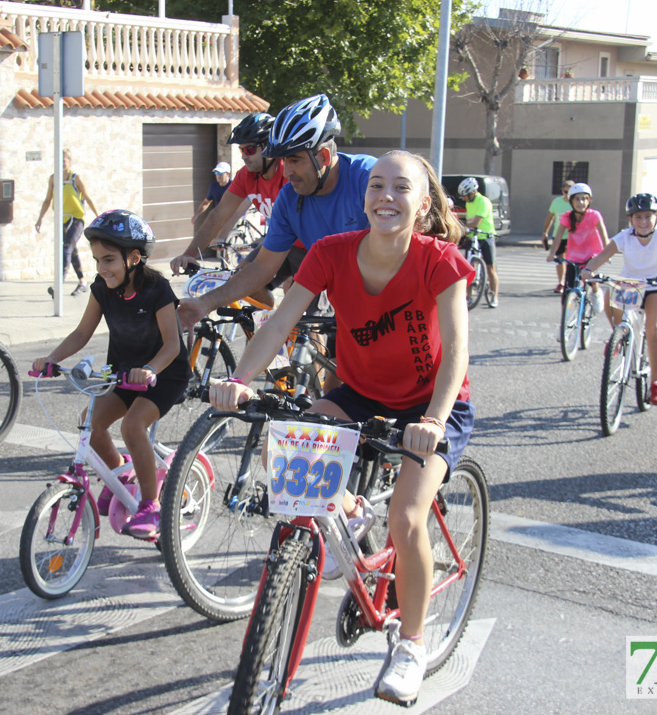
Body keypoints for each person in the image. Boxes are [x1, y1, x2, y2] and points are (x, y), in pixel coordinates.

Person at [210, 150, 474, 705]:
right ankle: (350, 512)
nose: (385, 195)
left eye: (401, 187)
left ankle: (412, 643)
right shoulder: (331, 253)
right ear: (364, 196)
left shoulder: (438, 261)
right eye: (377, 184)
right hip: (358, 394)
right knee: (285, 450)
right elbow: (282, 320)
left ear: (423, 204)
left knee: (406, 517)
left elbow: (456, 353)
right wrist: (239, 378)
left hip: (431, 404)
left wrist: (433, 419)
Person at [31, 211, 189, 539]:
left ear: (134, 258)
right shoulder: (102, 288)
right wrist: (53, 357)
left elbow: (173, 344)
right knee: (90, 421)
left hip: (164, 374)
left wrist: (149, 370)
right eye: (97, 261)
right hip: (122, 374)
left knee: (133, 426)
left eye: (109, 260)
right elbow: (82, 333)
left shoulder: (156, 288)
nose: (102, 269)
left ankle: (151, 505)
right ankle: (119, 475)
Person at [175, 94, 376, 331]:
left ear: (323, 156)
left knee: (315, 324)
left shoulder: (370, 179)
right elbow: (259, 266)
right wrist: (203, 303)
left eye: (294, 160)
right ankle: (277, 324)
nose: (287, 172)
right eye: (284, 161)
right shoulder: (288, 196)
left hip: (373, 293)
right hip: (314, 265)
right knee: (251, 281)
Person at [581, 193, 657, 406]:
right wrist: (588, 269)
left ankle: (656, 384)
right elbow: (603, 255)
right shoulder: (625, 236)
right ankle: (619, 335)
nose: (643, 222)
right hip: (631, 285)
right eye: (638, 217)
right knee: (610, 293)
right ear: (630, 219)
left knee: (655, 329)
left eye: (648, 216)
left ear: (656, 217)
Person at [169, 112, 288, 308]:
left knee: (299, 297)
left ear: (270, 147)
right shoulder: (246, 176)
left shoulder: (289, 173)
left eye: (249, 149)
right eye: (241, 150)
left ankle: (301, 334)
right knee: (243, 278)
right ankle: (270, 324)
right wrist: (190, 254)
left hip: (305, 242)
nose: (243, 156)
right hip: (278, 241)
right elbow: (219, 214)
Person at [36, 148, 100, 296]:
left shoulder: (75, 178)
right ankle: (83, 282)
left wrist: (98, 217)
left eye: (63, 161)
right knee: (72, 251)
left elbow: (88, 197)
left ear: (69, 161)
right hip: (61, 220)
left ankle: (58, 286)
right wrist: (40, 218)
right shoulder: (53, 178)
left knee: (66, 249)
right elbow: (47, 200)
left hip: (76, 219)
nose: (61, 164)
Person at [545, 182, 608, 312]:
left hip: (592, 253)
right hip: (574, 255)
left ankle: (596, 293)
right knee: (568, 288)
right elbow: (558, 237)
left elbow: (604, 236)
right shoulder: (567, 216)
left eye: (585, 198)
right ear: (571, 201)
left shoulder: (594, 215)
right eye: (577, 199)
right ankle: (566, 317)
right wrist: (552, 253)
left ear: (589, 200)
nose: (581, 202)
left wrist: (607, 254)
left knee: (589, 275)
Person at [459, 177, 499, 308]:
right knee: (469, 267)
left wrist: (462, 227)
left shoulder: (483, 202)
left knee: (490, 267)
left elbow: (476, 222)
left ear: (472, 193)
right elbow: (470, 223)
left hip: (486, 236)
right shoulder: (469, 202)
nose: (463, 199)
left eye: (465, 196)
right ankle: (469, 296)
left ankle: (494, 296)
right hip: (473, 235)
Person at [542, 180, 574, 292]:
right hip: (559, 235)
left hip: (573, 236)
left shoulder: (575, 203)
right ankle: (561, 282)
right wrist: (545, 232)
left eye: (570, 191)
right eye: (566, 191)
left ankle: (570, 282)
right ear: (562, 191)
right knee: (560, 260)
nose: (567, 194)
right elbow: (550, 217)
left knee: (572, 259)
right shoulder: (556, 202)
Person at [190, 162, 232, 243]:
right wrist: (196, 214)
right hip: (220, 217)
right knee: (217, 241)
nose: (218, 175)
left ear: (228, 174)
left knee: (228, 241)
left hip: (232, 216)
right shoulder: (214, 186)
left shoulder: (233, 185)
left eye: (221, 173)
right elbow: (206, 202)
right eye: (216, 173)